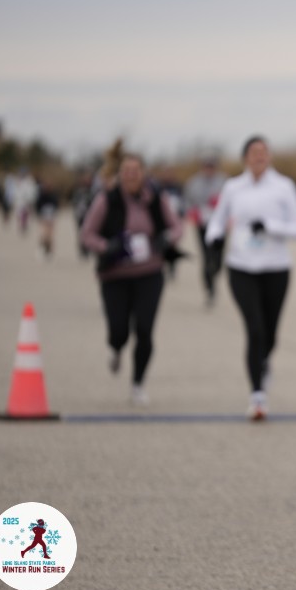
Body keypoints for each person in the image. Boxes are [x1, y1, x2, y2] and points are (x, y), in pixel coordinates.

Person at [204, 136, 296, 421]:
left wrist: (270, 226)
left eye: (263, 152)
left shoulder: (284, 186)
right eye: (253, 152)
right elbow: (217, 219)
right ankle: (257, 395)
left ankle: (264, 361)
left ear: (269, 156)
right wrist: (214, 238)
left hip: (275, 267)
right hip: (241, 266)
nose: (259, 157)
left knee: (270, 334)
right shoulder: (233, 187)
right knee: (255, 328)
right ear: (245, 158)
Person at [80, 153, 184, 405]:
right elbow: (87, 234)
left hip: (150, 273)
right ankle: (116, 349)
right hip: (115, 275)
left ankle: (138, 383)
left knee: (145, 330)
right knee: (119, 331)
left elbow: (178, 227)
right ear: (119, 174)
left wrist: (166, 239)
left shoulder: (156, 199)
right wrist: (107, 247)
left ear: (144, 173)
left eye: (136, 170)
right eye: (126, 170)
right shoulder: (107, 200)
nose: (131, 175)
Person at [184, 157, 228, 307]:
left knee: (218, 257)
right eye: (206, 167)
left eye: (212, 167)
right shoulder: (193, 183)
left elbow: (230, 201)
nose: (209, 170)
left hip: (219, 224)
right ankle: (209, 288)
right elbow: (187, 202)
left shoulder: (224, 181)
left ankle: (214, 272)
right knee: (206, 256)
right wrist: (192, 212)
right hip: (202, 225)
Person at [35, 180, 59, 259]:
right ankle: (42, 248)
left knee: (50, 235)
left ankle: (49, 250)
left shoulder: (53, 195)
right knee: (44, 234)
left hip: (51, 216)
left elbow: (56, 204)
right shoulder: (41, 195)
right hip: (44, 216)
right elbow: (38, 205)